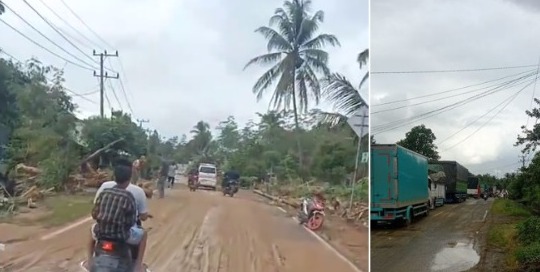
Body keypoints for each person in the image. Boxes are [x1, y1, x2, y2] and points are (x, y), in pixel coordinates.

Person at [86, 158, 150, 272]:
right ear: (129, 179)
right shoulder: (129, 195)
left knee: (90, 229)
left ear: (114, 177)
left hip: (101, 233)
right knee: (143, 234)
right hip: (122, 237)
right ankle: (137, 266)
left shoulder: (104, 191)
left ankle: (89, 261)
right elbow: (131, 221)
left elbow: (94, 214)